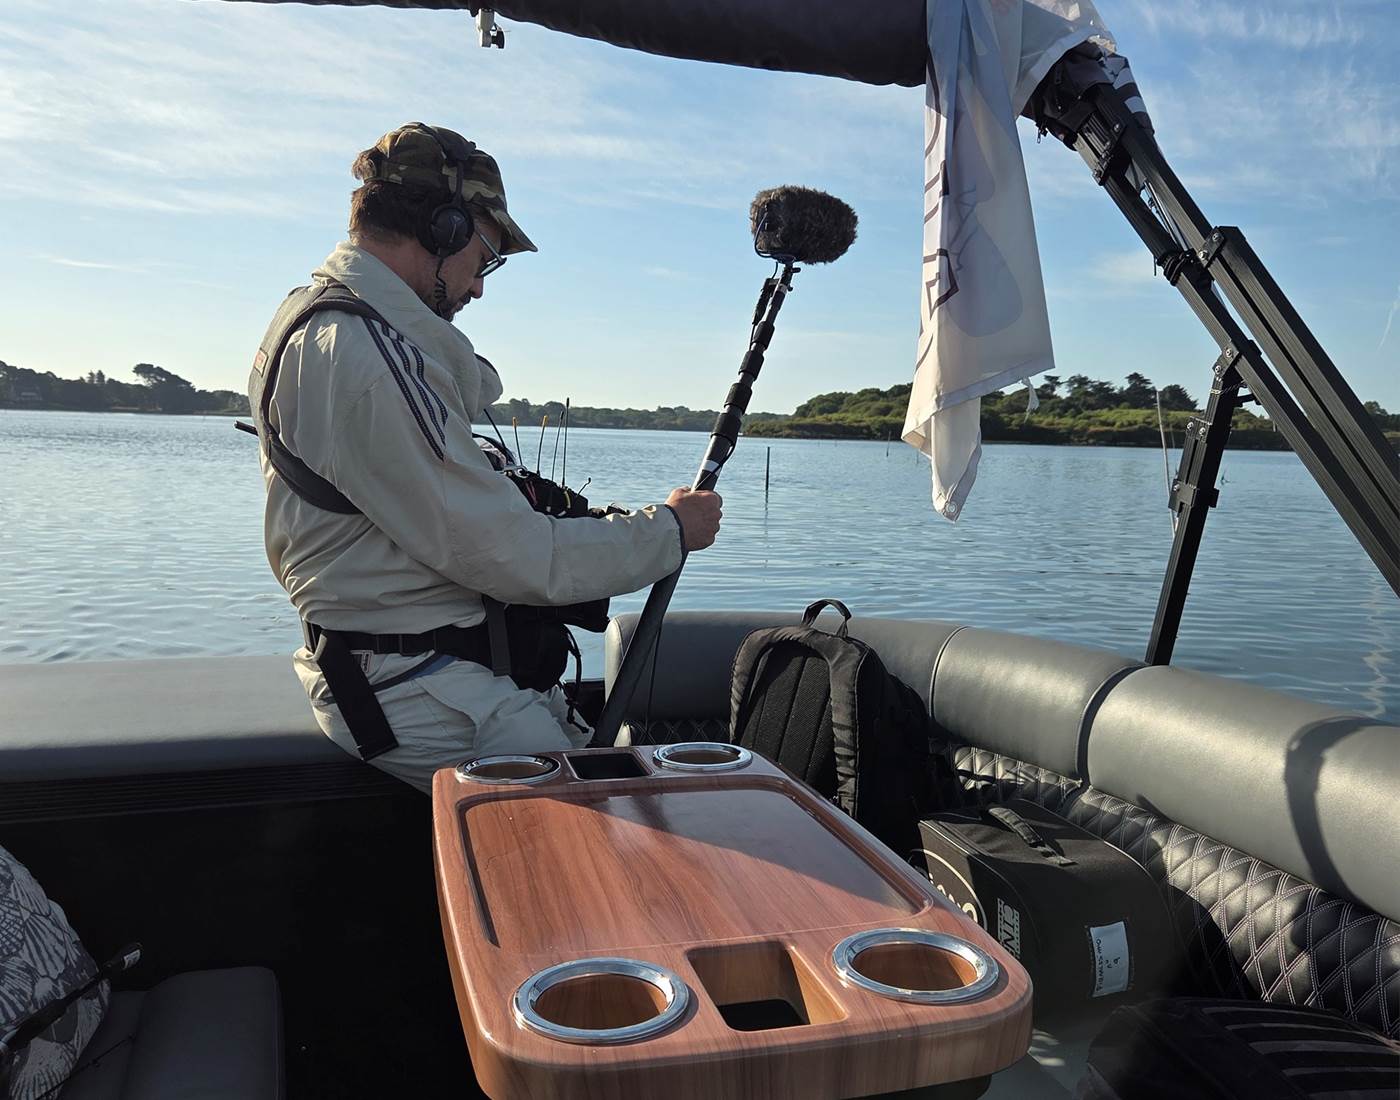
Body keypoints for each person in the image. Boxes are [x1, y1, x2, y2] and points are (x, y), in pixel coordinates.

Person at [248, 122, 722, 792]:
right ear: (444, 228)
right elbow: (511, 553)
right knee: (624, 826)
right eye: (486, 256)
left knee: (634, 787)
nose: (479, 287)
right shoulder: (361, 357)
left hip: (427, 675)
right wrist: (669, 533)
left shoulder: (328, 325)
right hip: (420, 691)